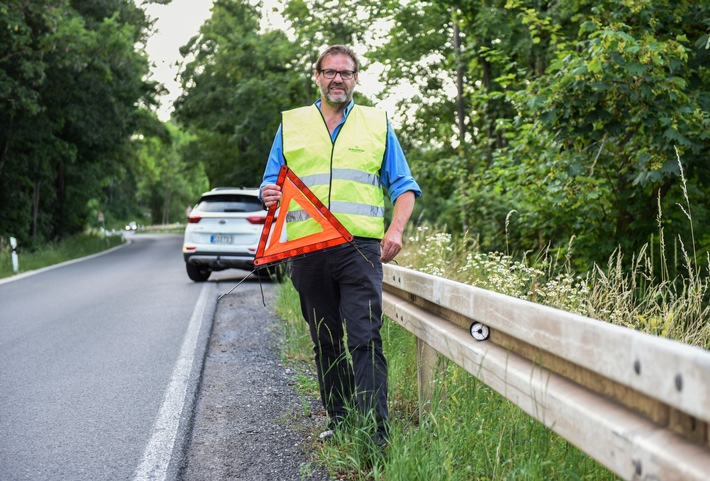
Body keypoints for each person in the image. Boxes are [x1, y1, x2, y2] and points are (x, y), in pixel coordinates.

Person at [260, 45, 421, 446]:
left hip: (360, 251)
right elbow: (269, 180)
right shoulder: (292, 124)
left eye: (345, 73)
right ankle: (342, 421)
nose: (337, 79)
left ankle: (375, 435)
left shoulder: (376, 124)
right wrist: (267, 194)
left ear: (356, 79)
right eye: (330, 72)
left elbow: (404, 187)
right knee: (325, 340)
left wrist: (396, 230)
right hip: (308, 252)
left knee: (365, 337)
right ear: (316, 76)